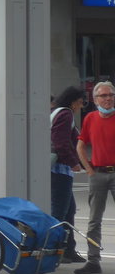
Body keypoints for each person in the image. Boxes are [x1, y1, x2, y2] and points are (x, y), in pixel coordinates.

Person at [75, 80, 115, 274]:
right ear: (95, 99)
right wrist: (89, 170)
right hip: (98, 173)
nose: (108, 99)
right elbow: (80, 146)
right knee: (94, 220)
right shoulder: (90, 118)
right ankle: (93, 261)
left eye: (111, 95)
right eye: (103, 96)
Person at [49, 86, 86, 264]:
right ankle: (57, 250)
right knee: (60, 212)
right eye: (80, 102)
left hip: (57, 169)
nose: (81, 106)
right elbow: (61, 142)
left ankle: (68, 249)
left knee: (69, 210)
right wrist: (73, 162)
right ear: (73, 102)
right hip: (60, 169)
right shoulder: (65, 114)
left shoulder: (56, 112)